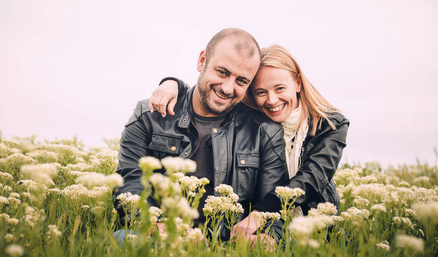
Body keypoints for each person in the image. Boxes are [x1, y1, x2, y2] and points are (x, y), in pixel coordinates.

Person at [150, 44, 350, 241]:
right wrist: (173, 83)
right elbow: (210, 90)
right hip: (261, 228)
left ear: (298, 83)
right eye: (261, 92)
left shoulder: (331, 124)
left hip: (311, 223)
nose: (272, 100)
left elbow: (313, 177)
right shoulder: (255, 122)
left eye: (280, 88)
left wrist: (261, 213)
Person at [113, 28, 289, 245]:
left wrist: (268, 238)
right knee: (123, 239)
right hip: (165, 242)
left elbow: (271, 204)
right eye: (222, 72)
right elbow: (130, 183)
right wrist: (154, 225)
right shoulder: (149, 115)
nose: (227, 88)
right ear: (202, 60)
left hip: (229, 246)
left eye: (241, 81)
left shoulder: (265, 130)